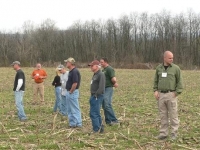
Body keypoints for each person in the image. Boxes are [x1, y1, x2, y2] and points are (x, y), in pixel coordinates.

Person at [153, 51, 183, 140]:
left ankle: (174, 133)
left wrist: (176, 93)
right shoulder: (159, 68)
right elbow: (155, 81)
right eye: (170, 58)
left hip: (171, 95)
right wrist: (155, 91)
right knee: (163, 115)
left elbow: (180, 82)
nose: (172, 59)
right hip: (161, 95)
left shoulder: (176, 68)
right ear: (164, 58)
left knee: (173, 115)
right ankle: (163, 133)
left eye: (172, 58)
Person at [100, 57, 119, 125]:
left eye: (102, 62)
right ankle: (108, 121)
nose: (101, 63)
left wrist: (114, 83)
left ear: (106, 62)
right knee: (104, 104)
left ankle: (114, 120)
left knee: (107, 104)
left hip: (108, 88)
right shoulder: (103, 70)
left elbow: (113, 78)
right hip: (103, 89)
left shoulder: (109, 69)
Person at [88, 60, 105, 134]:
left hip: (97, 96)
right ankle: (100, 128)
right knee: (96, 112)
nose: (91, 67)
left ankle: (96, 129)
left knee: (94, 113)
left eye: (92, 66)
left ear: (97, 66)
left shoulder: (101, 74)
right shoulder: (95, 74)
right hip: (94, 96)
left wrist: (96, 95)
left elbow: (101, 87)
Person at [64, 57, 82, 128]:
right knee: (70, 109)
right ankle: (72, 123)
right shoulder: (71, 71)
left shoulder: (74, 71)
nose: (66, 63)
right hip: (69, 92)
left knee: (74, 108)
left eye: (67, 62)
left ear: (71, 63)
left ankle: (78, 123)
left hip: (72, 92)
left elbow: (75, 83)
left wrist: (71, 91)